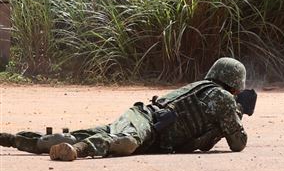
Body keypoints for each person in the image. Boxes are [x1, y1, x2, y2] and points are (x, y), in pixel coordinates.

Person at [0, 57, 250, 161]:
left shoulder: (202, 88)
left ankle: (14, 140)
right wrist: (236, 114)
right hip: (147, 124)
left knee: (80, 134)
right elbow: (238, 143)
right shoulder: (224, 99)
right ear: (235, 84)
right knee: (126, 142)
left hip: (142, 119)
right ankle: (78, 150)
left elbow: (198, 143)